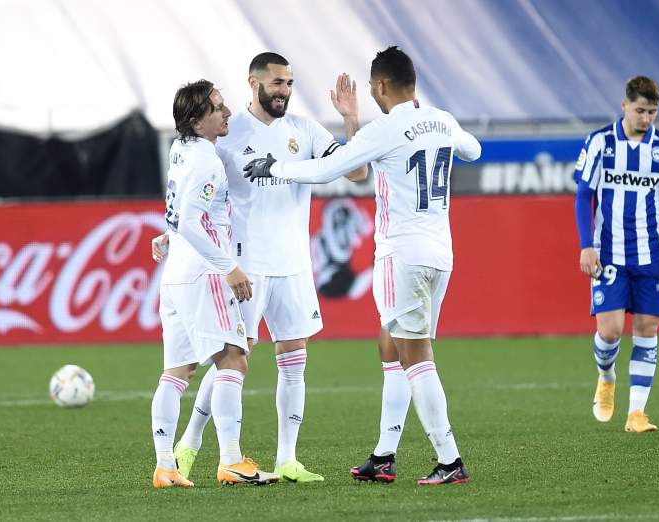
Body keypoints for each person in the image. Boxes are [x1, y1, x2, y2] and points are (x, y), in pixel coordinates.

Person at [244, 46, 482, 485]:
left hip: (400, 255)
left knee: (415, 356)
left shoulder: (385, 129)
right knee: (390, 345)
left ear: (382, 86)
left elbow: (328, 169)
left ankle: (449, 460)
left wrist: (275, 166)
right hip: (441, 255)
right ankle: (384, 455)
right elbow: (472, 149)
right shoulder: (442, 119)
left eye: (373, 87)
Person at [153, 52, 368, 483]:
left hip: (293, 263)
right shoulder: (228, 135)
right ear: (254, 84)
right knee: (231, 356)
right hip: (243, 263)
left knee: (295, 360)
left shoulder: (305, 130)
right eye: (276, 84)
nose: (284, 91)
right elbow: (198, 198)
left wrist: (350, 121)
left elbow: (358, 171)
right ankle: (192, 441)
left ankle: (287, 458)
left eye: (289, 83)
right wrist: (173, 233)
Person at [151, 79, 278, 488]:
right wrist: (229, 268)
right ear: (196, 120)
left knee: (175, 373)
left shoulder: (180, 148)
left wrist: (167, 233)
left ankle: (165, 466)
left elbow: (180, 211)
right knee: (234, 358)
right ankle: (231, 461)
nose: (226, 113)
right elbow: (192, 218)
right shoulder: (207, 160)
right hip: (205, 274)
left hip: (175, 275)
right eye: (217, 108)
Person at [573, 75, 659, 432]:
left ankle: (636, 413)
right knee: (609, 332)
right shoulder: (600, 143)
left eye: (652, 112)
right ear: (624, 106)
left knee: (647, 327)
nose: (646, 118)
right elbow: (583, 196)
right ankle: (606, 377)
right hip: (609, 252)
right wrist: (586, 245)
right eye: (640, 110)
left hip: (652, 252)